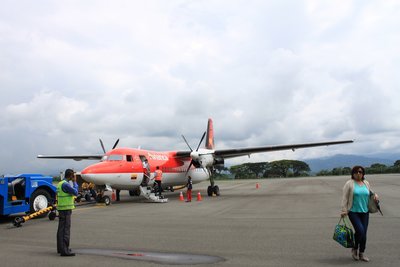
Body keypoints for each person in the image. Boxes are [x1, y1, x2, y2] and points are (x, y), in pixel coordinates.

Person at [341, 166, 378, 262]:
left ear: (363, 173)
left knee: (364, 234)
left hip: (365, 212)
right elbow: (345, 197)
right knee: (360, 231)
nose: (358, 173)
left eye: (360, 172)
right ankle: (354, 248)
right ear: (353, 174)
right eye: (356, 172)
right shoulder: (349, 184)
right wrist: (344, 210)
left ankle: (362, 253)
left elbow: (369, 192)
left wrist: (375, 195)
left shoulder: (366, 183)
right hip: (353, 212)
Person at [57, 169, 79, 256]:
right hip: (66, 210)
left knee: (61, 230)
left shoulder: (60, 183)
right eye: (72, 175)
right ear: (70, 176)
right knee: (65, 230)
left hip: (62, 209)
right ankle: (64, 251)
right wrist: (75, 182)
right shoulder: (66, 184)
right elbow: (76, 192)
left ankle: (61, 248)